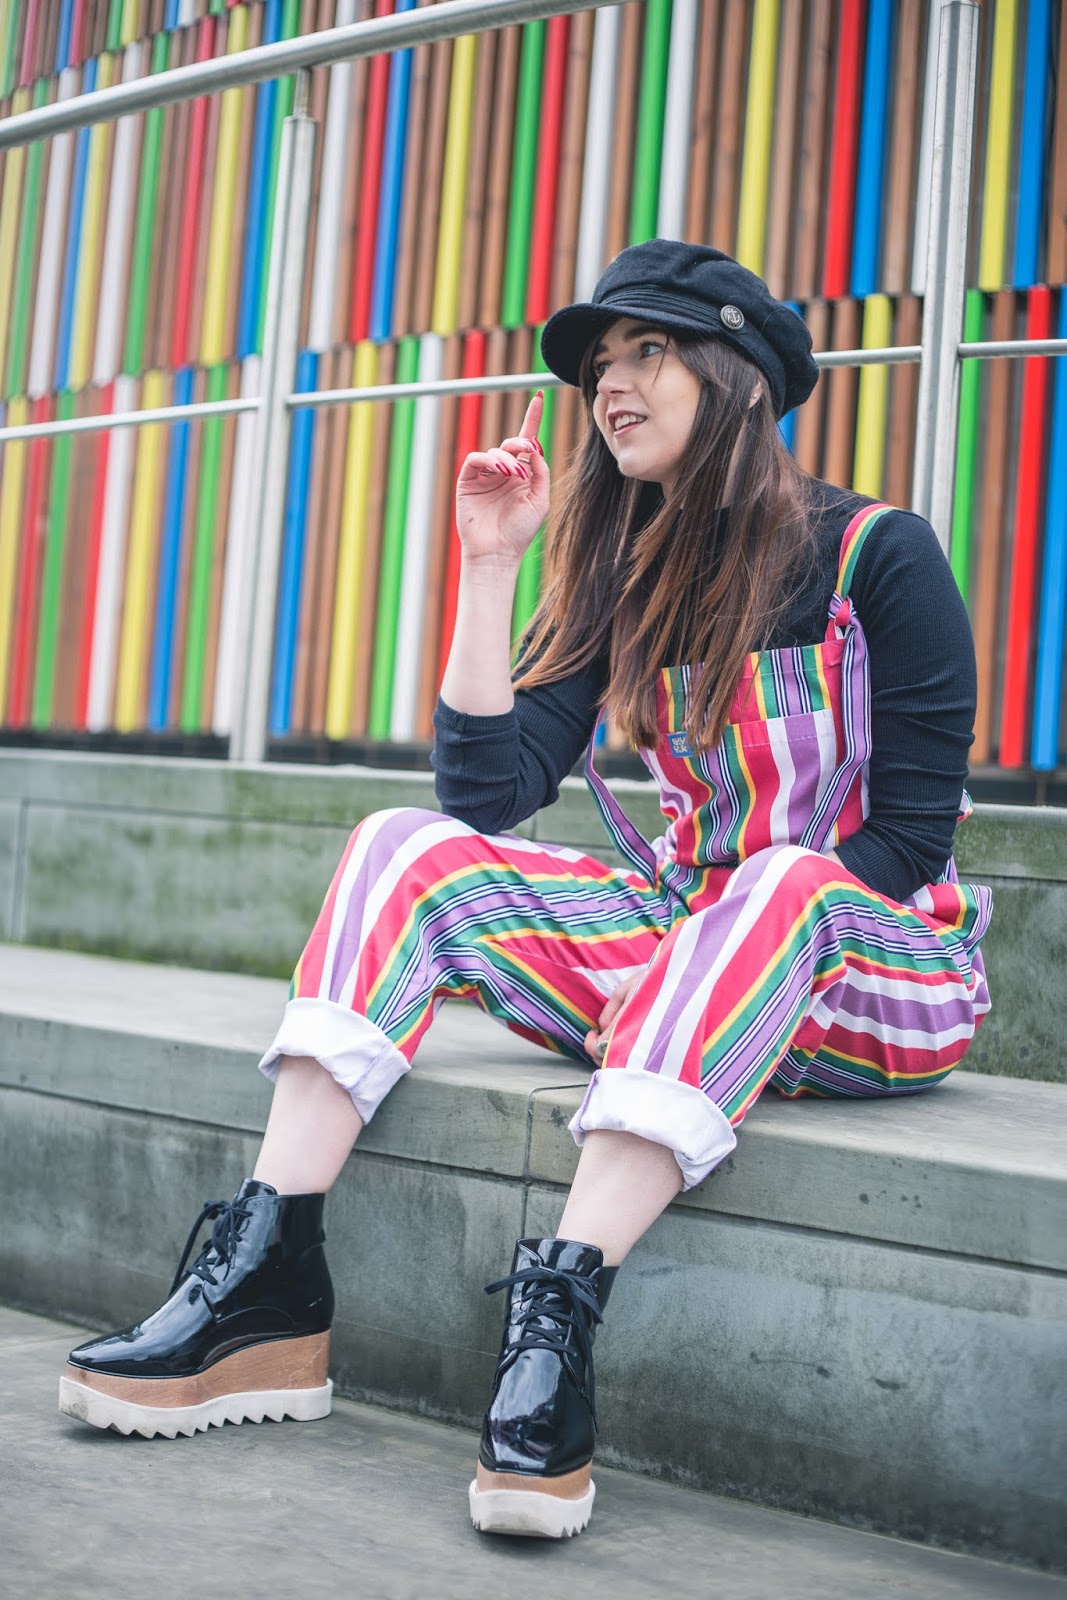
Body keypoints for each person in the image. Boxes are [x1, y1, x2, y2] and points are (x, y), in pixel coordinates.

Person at [58, 240, 991, 1541]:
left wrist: (710, 960)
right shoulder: (631, 573)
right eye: (602, 364)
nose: (612, 385)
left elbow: (901, 849)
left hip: (881, 973)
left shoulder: (880, 557)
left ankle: (560, 1309)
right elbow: (482, 796)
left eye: (646, 352)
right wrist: (490, 565)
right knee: (400, 845)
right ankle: (270, 1272)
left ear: (736, 378)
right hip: (687, 971)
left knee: (782, 883)